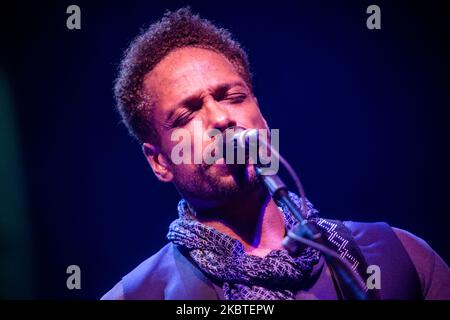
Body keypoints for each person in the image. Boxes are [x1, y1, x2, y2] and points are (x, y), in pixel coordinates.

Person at [102, 7, 450, 300]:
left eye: (233, 97)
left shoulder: (398, 255)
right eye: (186, 115)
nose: (222, 119)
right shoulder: (139, 294)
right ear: (159, 160)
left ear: (263, 120)